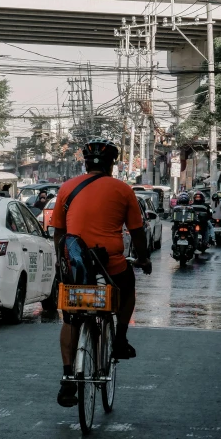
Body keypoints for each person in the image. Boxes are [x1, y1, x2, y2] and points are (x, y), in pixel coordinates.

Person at [51, 139, 151, 408]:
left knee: (71, 319)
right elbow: (137, 232)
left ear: (85, 163)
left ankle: (68, 375)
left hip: (76, 265)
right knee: (127, 287)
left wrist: (63, 263)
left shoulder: (66, 188)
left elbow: (59, 234)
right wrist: (143, 258)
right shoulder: (123, 189)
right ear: (112, 164)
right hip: (111, 265)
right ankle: (119, 340)